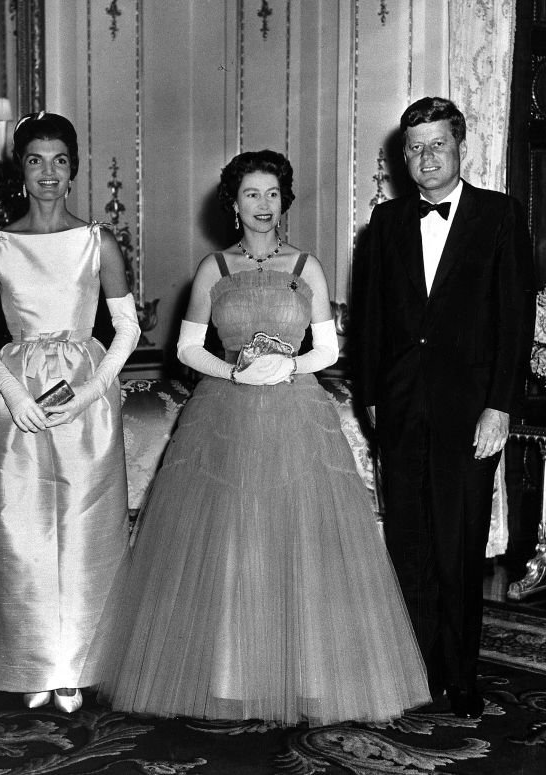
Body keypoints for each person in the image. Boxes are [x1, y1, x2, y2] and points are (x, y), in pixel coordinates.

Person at [90, 150, 430, 726]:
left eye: (272, 194)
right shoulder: (214, 270)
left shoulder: (307, 267)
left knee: (297, 538)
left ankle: (307, 674)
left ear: (284, 199)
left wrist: (288, 368)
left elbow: (328, 348)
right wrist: (236, 372)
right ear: (233, 202)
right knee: (233, 540)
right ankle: (230, 676)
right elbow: (187, 348)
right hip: (224, 415)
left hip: (296, 415)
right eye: (252, 194)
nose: (263, 205)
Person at [356, 97, 535, 719]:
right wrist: (373, 399)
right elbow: (373, 318)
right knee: (408, 545)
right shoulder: (386, 223)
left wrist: (501, 408)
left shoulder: (500, 215)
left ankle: (459, 676)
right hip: (401, 409)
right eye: (414, 147)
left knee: (458, 546)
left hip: (472, 414)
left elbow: (517, 321)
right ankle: (413, 672)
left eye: (437, 145)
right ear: (401, 157)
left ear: (461, 148)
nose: (425, 157)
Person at [0, 111, 140, 714]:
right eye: (36, 160)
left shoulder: (98, 241)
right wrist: (12, 393)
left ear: (74, 168)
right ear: (21, 169)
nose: (48, 173)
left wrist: (90, 394)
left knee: (89, 531)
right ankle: (36, 662)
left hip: (86, 401)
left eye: (60, 160)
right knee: (21, 533)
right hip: (17, 403)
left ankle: (79, 668)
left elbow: (128, 329)